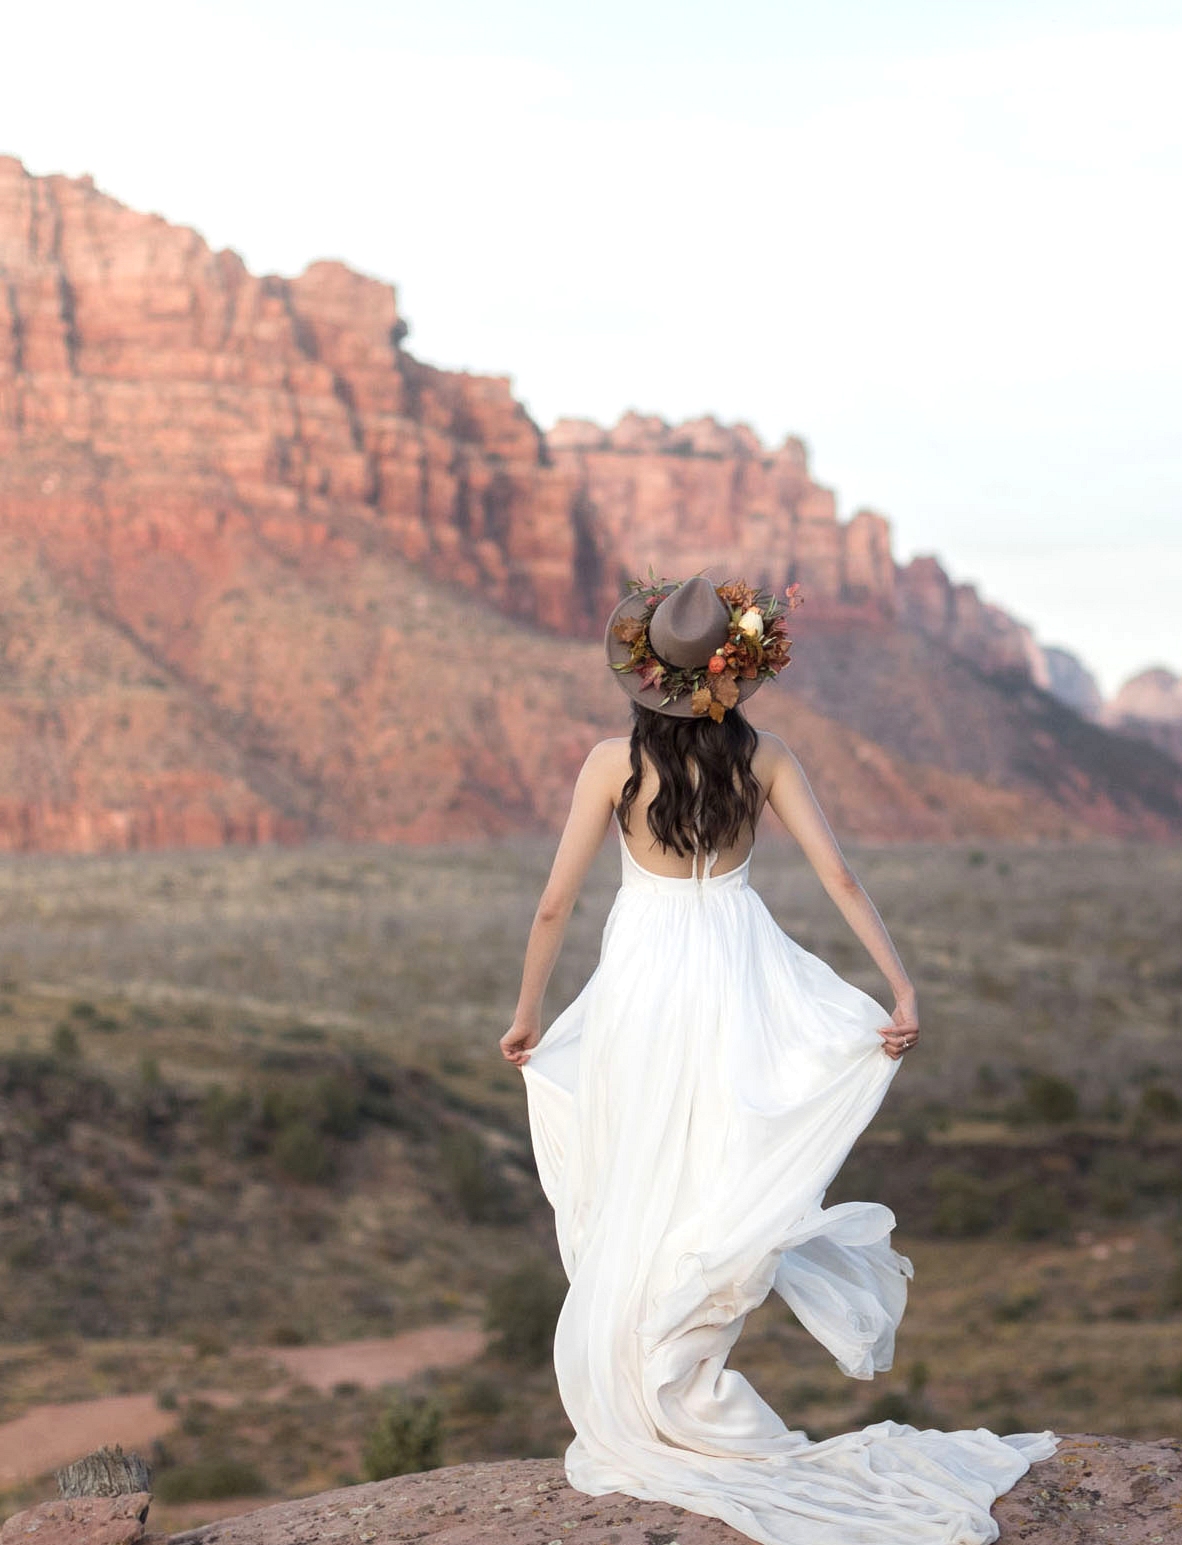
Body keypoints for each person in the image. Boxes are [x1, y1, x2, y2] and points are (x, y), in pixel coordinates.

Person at [499, 575, 1059, 1545]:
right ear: (736, 677)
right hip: (740, 971)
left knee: (646, 1175)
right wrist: (899, 986)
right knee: (721, 1174)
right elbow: (838, 873)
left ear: (645, 677)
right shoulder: (765, 757)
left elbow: (553, 904)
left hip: (643, 979)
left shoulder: (608, 764)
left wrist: (527, 1013)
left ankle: (660, 1393)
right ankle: (690, 1385)